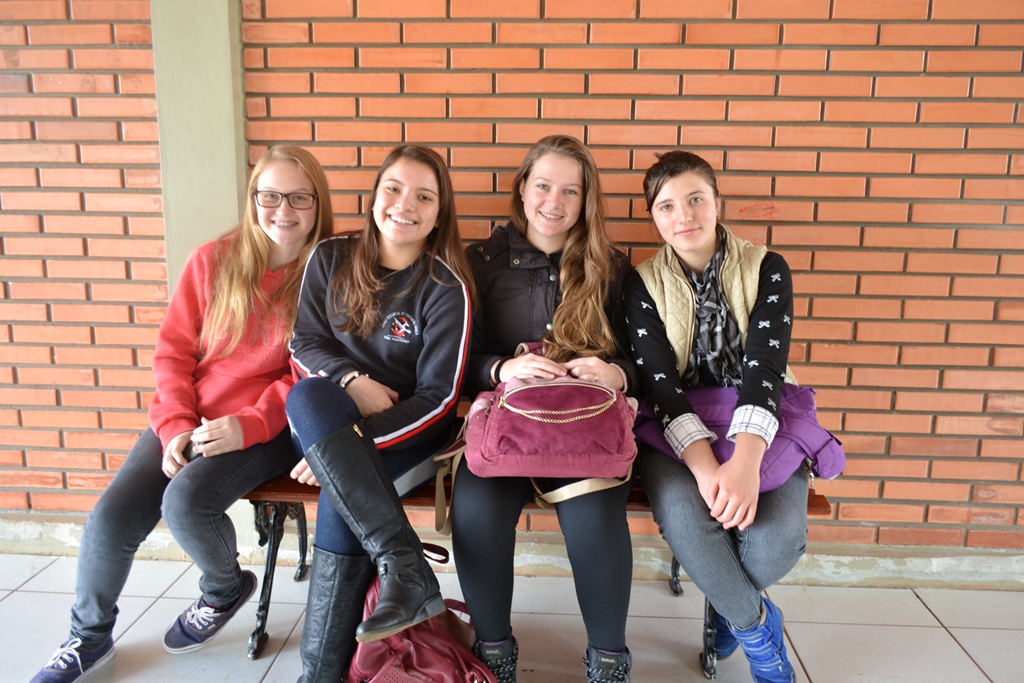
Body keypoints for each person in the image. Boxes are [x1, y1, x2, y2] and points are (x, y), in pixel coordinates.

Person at [30, 145, 333, 683]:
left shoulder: (327, 274)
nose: (283, 210)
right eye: (269, 196)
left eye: (299, 198)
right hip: (189, 416)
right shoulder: (213, 260)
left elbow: (308, 374)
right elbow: (173, 352)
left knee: (186, 504)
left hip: (267, 425)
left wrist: (248, 425)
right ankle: (88, 638)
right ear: (252, 199)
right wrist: (174, 426)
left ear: (318, 203)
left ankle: (223, 590)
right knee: (111, 519)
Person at [449, 134, 639, 683]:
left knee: (594, 518)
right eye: (543, 186)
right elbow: (452, 358)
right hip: (506, 431)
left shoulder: (611, 268)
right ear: (521, 189)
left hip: (587, 429)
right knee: (477, 512)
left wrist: (617, 373)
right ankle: (494, 653)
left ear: (586, 200)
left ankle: (608, 661)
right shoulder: (479, 264)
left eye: (570, 191)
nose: (554, 202)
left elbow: (646, 358)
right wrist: (499, 369)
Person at [285, 144, 474, 683]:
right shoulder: (330, 257)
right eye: (393, 188)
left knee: (339, 495)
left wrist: (343, 448)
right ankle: (404, 566)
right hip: (324, 421)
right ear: (374, 196)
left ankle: (318, 676)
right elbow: (303, 343)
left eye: (424, 196)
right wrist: (353, 381)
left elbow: (439, 400)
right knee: (307, 396)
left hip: (407, 435)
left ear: (439, 213)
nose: (404, 204)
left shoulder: (445, 288)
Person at [623, 150, 804, 683]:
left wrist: (744, 465)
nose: (684, 216)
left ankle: (727, 604)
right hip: (675, 426)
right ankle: (758, 634)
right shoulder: (641, 283)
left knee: (774, 542)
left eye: (696, 199)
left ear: (717, 202)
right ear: (654, 217)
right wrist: (706, 471)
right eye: (666, 206)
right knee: (687, 520)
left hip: (763, 417)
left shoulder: (767, 267)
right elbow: (660, 385)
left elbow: (766, 368)